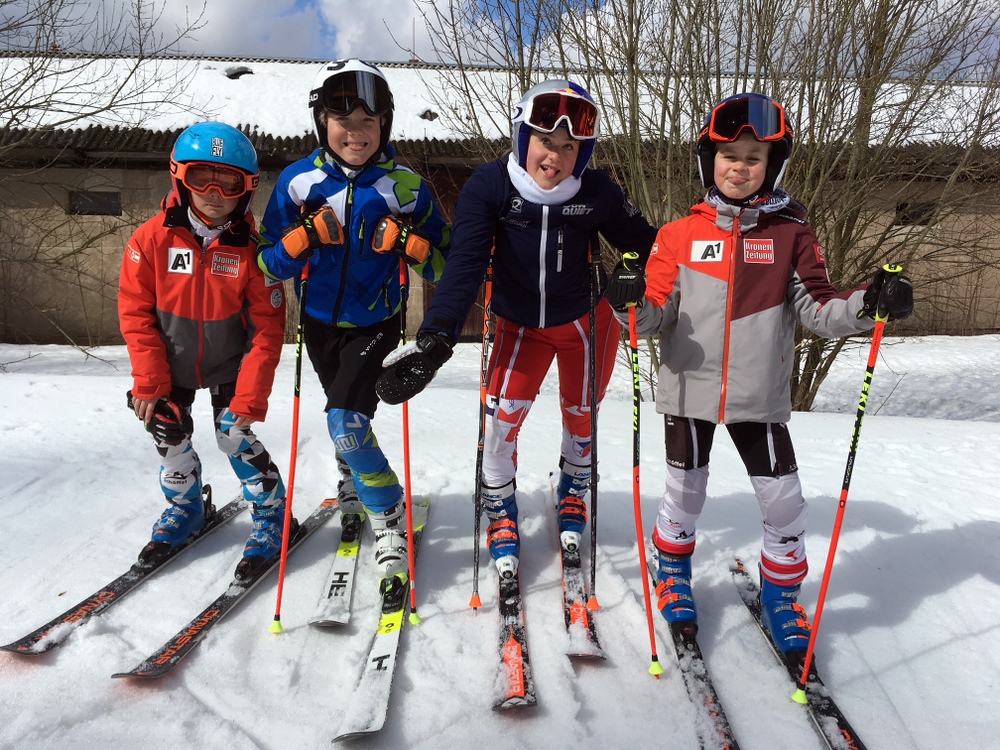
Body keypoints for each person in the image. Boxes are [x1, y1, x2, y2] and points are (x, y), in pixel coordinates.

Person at [603, 92, 914, 654]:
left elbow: (819, 310)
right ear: (709, 160)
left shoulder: (792, 235)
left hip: (759, 394)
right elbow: (652, 316)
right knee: (684, 492)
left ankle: (782, 593)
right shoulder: (676, 235)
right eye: (729, 155)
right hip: (689, 391)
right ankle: (672, 572)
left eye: (753, 158)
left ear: (772, 166)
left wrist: (869, 302)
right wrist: (627, 300)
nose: (739, 167)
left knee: (784, 501)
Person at [377, 80, 658, 580]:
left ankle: (573, 490)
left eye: (569, 146)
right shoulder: (491, 185)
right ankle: (501, 507)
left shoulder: (597, 191)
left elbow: (648, 244)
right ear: (523, 136)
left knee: (582, 418)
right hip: (518, 325)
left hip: (585, 323)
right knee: (500, 424)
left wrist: (632, 266)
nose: (555, 156)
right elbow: (466, 262)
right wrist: (438, 334)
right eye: (546, 141)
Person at [256, 59, 449, 589]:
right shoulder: (298, 182)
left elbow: (446, 266)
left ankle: (388, 514)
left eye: (369, 121)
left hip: (376, 323)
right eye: (344, 120)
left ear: (385, 124)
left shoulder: (405, 187)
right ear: (323, 122)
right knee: (345, 417)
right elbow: (266, 263)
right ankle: (352, 476)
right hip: (317, 324)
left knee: (344, 420)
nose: (356, 132)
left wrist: (410, 244)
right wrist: (300, 241)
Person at [118, 121, 289, 580]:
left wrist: (249, 398)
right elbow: (135, 312)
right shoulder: (150, 240)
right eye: (201, 178)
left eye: (228, 182)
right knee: (167, 430)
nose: (214, 193)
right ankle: (186, 507)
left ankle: (272, 515)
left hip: (230, 364)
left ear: (246, 188)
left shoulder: (255, 252)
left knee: (234, 436)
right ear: (179, 176)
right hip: (169, 364)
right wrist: (150, 381)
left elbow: (267, 332)